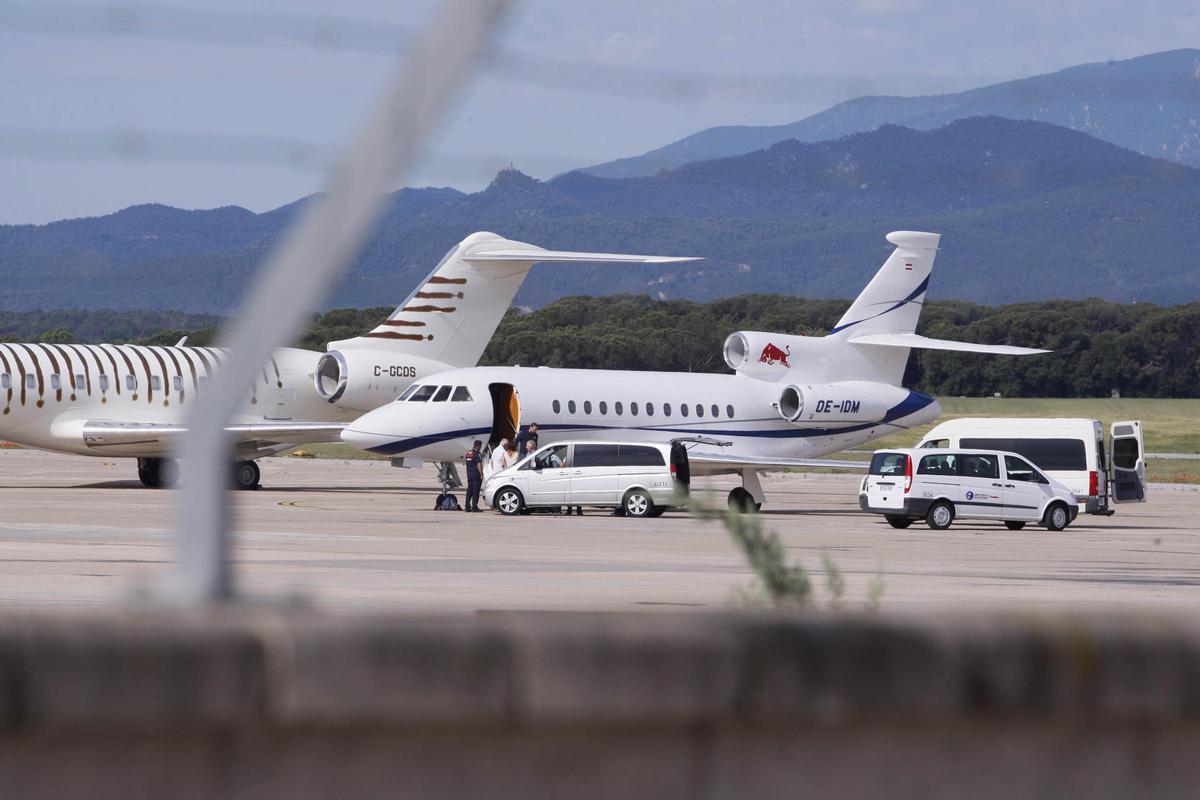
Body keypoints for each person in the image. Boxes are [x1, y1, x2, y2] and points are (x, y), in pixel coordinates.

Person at [463, 440, 484, 512]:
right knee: (475, 491)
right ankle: (474, 507)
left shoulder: (468, 453)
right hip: (476, 475)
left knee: (469, 491)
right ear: (478, 446)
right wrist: (481, 474)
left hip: (469, 474)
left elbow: (467, 463)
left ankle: (467, 507)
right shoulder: (477, 454)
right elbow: (479, 464)